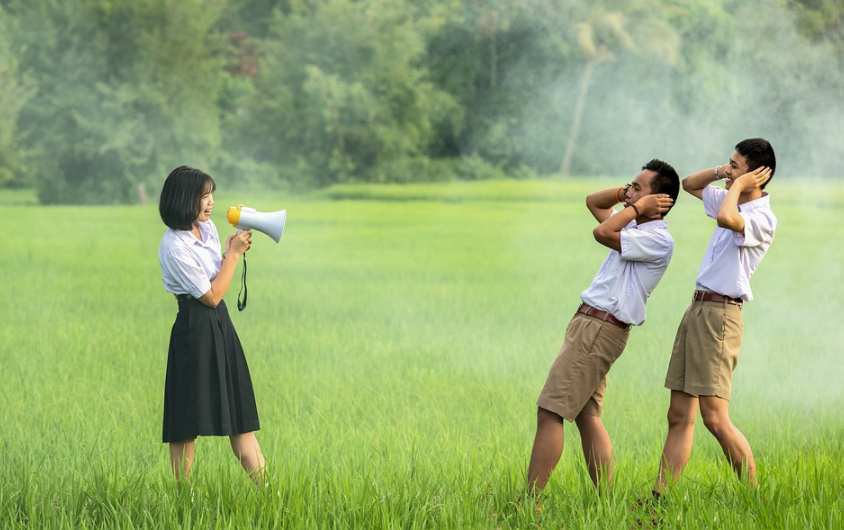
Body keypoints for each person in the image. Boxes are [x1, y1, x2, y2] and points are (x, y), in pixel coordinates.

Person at [527, 159, 680, 492]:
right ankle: (606, 501)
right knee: (587, 416)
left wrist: (636, 206)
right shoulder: (634, 227)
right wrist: (627, 194)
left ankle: (528, 504)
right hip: (591, 325)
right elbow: (593, 202)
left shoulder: (656, 239)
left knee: (550, 411)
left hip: (599, 328)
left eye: (637, 188)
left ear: (658, 201)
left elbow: (602, 232)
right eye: (630, 186)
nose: (628, 193)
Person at [652, 138, 777, 496]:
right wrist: (725, 173)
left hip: (722, 315)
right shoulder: (730, 195)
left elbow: (726, 218)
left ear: (756, 176)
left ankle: (754, 497)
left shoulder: (761, 217)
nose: (728, 171)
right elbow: (690, 184)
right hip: (698, 309)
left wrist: (738, 185)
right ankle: (660, 498)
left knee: (715, 418)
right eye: (729, 164)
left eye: (735, 165)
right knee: (678, 414)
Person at [158, 166, 266, 484]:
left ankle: (272, 496)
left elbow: (217, 278)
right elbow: (212, 296)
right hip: (194, 329)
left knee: (241, 416)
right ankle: (183, 498)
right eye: (204, 196)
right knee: (185, 421)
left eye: (211, 195)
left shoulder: (207, 230)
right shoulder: (174, 247)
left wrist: (229, 252)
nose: (211, 203)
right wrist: (232, 256)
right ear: (183, 199)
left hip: (220, 327)